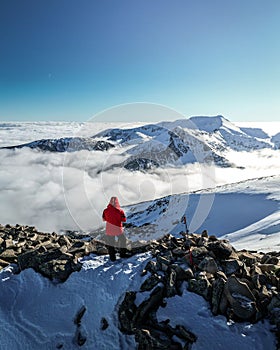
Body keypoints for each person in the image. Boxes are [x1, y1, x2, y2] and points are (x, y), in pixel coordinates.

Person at [102, 196, 127, 261]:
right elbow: (124, 219)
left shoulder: (105, 211)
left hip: (109, 230)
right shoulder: (120, 211)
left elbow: (104, 219)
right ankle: (122, 254)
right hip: (118, 229)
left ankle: (112, 258)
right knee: (123, 240)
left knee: (111, 244)